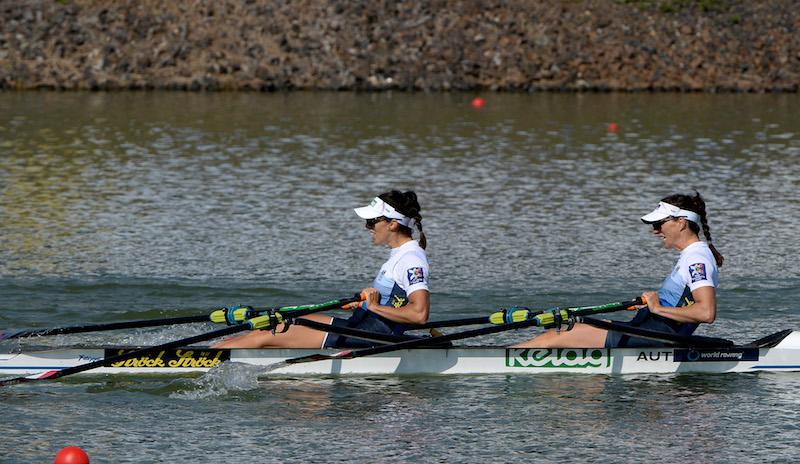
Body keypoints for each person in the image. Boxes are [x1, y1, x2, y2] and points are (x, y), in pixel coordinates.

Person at [213, 190, 430, 349]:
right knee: (276, 323)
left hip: (371, 336)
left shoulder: (411, 259)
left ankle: (199, 359)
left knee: (268, 334)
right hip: (360, 326)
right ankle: (211, 350)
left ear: (393, 224)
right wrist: (365, 304)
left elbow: (419, 314)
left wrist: (373, 306)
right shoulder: (400, 254)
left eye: (372, 221)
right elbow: (394, 300)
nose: (367, 227)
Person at [512, 191, 723, 348]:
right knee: (572, 330)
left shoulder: (697, 259)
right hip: (651, 329)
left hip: (658, 336)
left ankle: (498, 360)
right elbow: (683, 300)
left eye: (658, 224)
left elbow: (706, 312)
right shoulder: (691, 255)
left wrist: (657, 308)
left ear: (681, 223)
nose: (655, 231)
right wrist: (651, 304)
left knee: (555, 337)